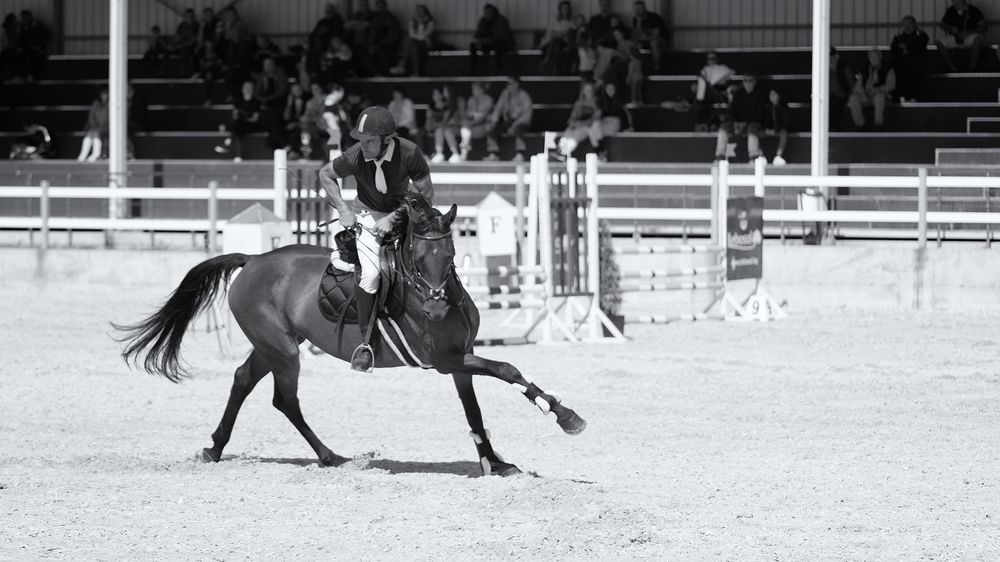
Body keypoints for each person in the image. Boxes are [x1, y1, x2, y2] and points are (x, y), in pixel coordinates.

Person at [318, 106, 436, 372]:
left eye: (369, 140)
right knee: (371, 274)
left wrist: (394, 217)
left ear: (386, 139)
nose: (364, 146)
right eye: (360, 139)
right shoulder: (355, 155)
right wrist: (344, 210)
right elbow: (325, 174)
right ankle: (365, 343)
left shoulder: (409, 153)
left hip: (402, 212)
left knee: (431, 257)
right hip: (367, 215)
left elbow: (426, 195)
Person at [714, 74, 767, 162]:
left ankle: (753, 157)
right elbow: (733, 111)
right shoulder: (739, 93)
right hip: (738, 124)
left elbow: (760, 114)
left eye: (750, 81)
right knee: (724, 126)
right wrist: (736, 122)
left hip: (754, 125)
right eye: (745, 81)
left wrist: (745, 123)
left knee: (752, 127)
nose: (748, 83)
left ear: (754, 82)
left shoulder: (759, 94)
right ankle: (720, 156)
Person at [485, 75, 532, 162]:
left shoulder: (524, 96)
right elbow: (498, 108)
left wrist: (514, 125)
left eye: (510, 84)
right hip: (508, 122)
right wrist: (493, 121)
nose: (508, 86)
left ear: (516, 84)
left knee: (518, 129)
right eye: (507, 84)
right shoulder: (505, 93)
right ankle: (493, 154)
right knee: (492, 128)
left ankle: (520, 154)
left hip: (521, 122)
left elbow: (527, 115)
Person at [848, 49, 896, 131]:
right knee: (853, 98)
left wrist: (878, 89)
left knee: (879, 97)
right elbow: (858, 86)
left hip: (881, 95)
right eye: (871, 57)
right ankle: (860, 125)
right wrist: (862, 93)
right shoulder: (864, 69)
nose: (873, 58)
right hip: (866, 96)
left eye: (875, 56)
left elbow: (891, 85)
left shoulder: (888, 68)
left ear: (880, 57)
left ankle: (878, 125)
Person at [214, 80, 260, 162]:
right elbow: (235, 115)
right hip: (240, 125)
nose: (247, 89)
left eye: (249, 88)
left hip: (251, 125)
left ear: (253, 89)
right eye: (246, 87)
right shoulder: (238, 101)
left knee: (238, 126)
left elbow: (255, 118)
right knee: (238, 128)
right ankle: (238, 156)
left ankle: (227, 143)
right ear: (242, 89)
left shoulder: (256, 102)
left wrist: (245, 119)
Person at [558, 81, 606, 159]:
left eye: (590, 90)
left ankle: (564, 154)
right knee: (568, 133)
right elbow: (572, 118)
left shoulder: (597, 102)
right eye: (587, 90)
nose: (588, 92)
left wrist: (582, 124)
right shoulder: (578, 103)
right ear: (583, 91)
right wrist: (574, 124)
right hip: (577, 125)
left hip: (588, 127)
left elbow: (597, 117)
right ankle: (560, 152)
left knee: (578, 135)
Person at [936, 0, 987, 72]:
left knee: (977, 39)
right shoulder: (951, 10)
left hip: (969, 37)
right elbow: (942, 25)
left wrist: (968, 33)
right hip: (954, 37)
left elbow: (983, 26)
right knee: (939, 42)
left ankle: (973, 67)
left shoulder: (974, 10)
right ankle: (952, 67)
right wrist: (950, 27)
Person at [890, 16, 929, 103]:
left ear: (914, 25)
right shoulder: (899, 36)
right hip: (902, 65)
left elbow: (919, 47)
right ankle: (898, 98)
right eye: (905, 25)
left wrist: (907, 47)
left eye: (909, 24)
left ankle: (912, 98)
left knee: (913, 73)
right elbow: (894, 50)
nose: (907, 27)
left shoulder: (921, 35)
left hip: (916, 65)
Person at [254, 56, 290, 151]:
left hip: (278, 103)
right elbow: (257, 92)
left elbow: (282, 91)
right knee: (270, 120)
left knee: (271, 119)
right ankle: (284, 144)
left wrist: (269, 99)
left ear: (274, 65)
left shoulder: (280, 74)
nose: (267, 66)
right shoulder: (261, 76)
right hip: (264, 104)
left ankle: (275, 145)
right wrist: (262, 99)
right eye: (265, 64)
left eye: (270, 64)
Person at [469, 4, 515, 74]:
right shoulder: (483, 21)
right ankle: (473, 70)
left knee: (498, 46)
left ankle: (499, 69)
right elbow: (477, 34)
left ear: (494, 12)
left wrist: (487, 40)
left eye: (489, 12)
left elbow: (501, 37)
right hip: (488, 44)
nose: (487, 14)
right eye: (486, 12)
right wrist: (479, 41)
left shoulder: (501, 20)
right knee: (473, 46)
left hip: (503, 44)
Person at [391, 4, 435, 77]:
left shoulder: (430, 22)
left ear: (425, 12)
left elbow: (426, 34)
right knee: (414, 47)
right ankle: (416, 73)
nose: (419, 13)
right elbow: (411, 33)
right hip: (416, 44)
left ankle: (402, 64)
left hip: (426, 45)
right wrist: (420, 36)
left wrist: (421, 24)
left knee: (411, 41)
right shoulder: (412, 21)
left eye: (421, 11)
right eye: (417, 11)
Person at [695, 51, 734, 131]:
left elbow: (730, 74)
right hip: (708, 99)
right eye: (709, 59)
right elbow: (700, 93)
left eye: (713, 58)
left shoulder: (723, 68)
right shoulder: (704, 71)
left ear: (717, 59)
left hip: (720, 98)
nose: (711, 60)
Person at [459, 81, 495, 161]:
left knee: (467, 129)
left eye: (474, 89)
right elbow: (467, 114)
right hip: (472, 126)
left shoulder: (488, 99)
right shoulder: (471, 100)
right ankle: (464, 153)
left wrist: (473, 121)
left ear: (480, 89)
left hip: (484, 126)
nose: (472, 90)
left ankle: (464, 153)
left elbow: (484, 116)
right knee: (465, 128)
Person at [428, 86, 464, 163]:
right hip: (449, 127)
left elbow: (462, 118)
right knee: (439, 130)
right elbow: (445, 121)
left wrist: (453, 122)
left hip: (460, 128)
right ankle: (439, 153)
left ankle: (456, 153)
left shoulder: (459, 101)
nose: (444, 94)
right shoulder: (447, 104)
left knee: (447, 131)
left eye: (445, 92)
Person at [365, 0, 401, 76]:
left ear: (385, 7)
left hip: (387, 44)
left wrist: (376, 45)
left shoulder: (391, 19)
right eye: (378, 6)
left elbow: (392, 37)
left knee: (380, 49)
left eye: (381, 6)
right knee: (360, 51)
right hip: (373, 44)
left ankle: (384, 73)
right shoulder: (372, 17)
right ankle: (377, 72)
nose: (380, 8)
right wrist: (370, 46)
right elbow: (370, 33)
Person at [539, 1, 576, 75]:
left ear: (569, 9)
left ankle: (547, 59)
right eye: (563, 8)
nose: (565, 10)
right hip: (552, 42)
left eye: (566, 8)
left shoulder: (572, 20)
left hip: (564, 42)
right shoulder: (554, 19)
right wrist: (559, 33)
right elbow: (549, 33)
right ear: (560, 9)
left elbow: (572, 33)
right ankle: (555, 68)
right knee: (555, 43)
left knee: (556, 40)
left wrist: (560, 34)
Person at [632, 1, 666, 73]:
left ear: (644, 8)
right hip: (645, 40)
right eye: (636, 9)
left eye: (640, 8)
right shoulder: (636, 19)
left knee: (654, 43)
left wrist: (643, 38)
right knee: (633, 45)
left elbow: (656, 35)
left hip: (661, 40)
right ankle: (638, 66)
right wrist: (639, 22)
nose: (638, 11)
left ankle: (657, 66)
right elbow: (636, 35)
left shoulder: (654, 18)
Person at [16, 10, 50, 82]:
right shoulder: (22, 27)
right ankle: (23, 76)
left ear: (29, 17)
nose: (23, 19)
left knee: (35, 60)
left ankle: (32, 76)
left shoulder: (38, 26)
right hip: (27, 50)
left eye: (25, 18)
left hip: (37, 50)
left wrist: (41, 46)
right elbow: (20, 40)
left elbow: (46, 36)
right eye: (22, 18)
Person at [77, 89, 109, 162]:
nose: (104, 96)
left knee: (96, 132)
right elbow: (91, 117)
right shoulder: (96, 104)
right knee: (90, 133)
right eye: (103, 94)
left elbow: (107, 119)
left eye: (106, 94)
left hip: (107, 127)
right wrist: (95, 126)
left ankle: (96, 154)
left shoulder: (110, 104)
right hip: (95, 127)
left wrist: (100, 127)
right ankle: (83, 155)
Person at [829, 47, 854, 131]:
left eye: (832, 56)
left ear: (836, 56)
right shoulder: (822, 68)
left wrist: (849, 96)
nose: (830, 59)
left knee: (836, 102)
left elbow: (851, 84)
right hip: (827, 96)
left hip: (842, 95)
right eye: (828, 56)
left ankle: (834, 127)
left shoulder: (844, 67)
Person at [171, 9, 200, 77]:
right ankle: (163, 72)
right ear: (185, 17)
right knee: (167, 49)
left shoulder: (197, 25)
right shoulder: (181, 25)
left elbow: (193, 40)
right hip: (181, 45)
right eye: (187, 16)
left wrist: (180, 45)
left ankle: (183, 71)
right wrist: (172, 44)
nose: (189, 18)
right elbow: (177, 37)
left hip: (191, 47)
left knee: (185, 49)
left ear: (193, 17)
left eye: (191, 16)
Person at [764, 89, 788, 165]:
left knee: (783, 133)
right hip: (769, 131)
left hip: (779, 131)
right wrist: (767, 129)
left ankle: (778, 156)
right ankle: (760, 156)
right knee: (756, 133)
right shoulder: (767, 106)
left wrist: (776, 130)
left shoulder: (783, 107)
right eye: (770, 94)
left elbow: (785, 122)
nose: (771, 96)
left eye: (773, 94)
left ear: (778, 95)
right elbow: (764, 120)